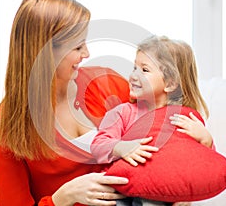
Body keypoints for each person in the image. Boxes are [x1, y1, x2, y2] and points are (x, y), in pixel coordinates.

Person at [0, 0, 131, 206]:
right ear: (45, 54)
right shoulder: (4, 124)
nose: (87, 53)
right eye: (77, 46)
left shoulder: (106, 82)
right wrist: (62, 198)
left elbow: (158, 131)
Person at [91, 35, 213, 205]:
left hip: (162, 193)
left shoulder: (185, 119)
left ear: (170, 83)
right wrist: (121, 147)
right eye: (134, 67)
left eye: (144, 70)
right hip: (121, 190)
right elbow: (98, 146)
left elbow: (201, 162)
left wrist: (206, 140)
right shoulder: (122, 113)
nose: (133, 75)